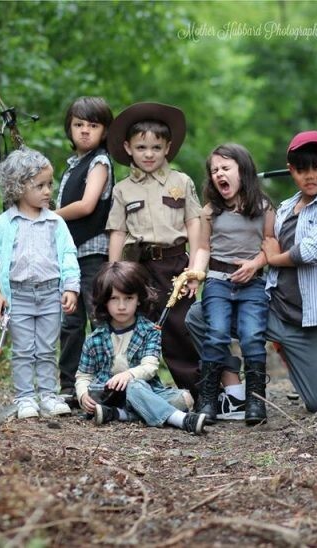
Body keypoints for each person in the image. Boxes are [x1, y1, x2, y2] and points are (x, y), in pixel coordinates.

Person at [186, 131, 317, 413]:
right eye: (301, 169)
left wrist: (271, 259)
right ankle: (235, 390)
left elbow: (307, 253)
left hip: (314, 319)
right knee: (198, 317)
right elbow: (262, 245)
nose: (309, 176)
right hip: (275, 310)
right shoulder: (285, 208)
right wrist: (254, 261)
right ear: (291, 172)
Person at [106, 102, 202, 395]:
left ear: (167, 148)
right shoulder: (123, 189)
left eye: (156, 148)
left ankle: (198, 391)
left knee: (179, 329)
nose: (149, 154)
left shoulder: (180, 182)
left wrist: (195, 268)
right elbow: (118, 232)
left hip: (175, 265)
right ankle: (136, 392)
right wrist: (114, 271)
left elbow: (194, 223)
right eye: (142, 147)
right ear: (128, 148)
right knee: (136, 326)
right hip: (138, 267)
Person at [0, 147, 80, 419]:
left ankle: (48, 395)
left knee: (48, 348)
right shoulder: (4, 223)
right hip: (19, 295)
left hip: (50, 293)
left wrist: (71, 287)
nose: (48, 191)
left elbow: (68, 255)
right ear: (18, 187)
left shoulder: (56, 223)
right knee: (24, 349)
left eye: (49, 184)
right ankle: (25, 397)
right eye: (40, 186)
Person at [186, 144, 275, 425]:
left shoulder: (263, 207)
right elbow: (202, 248)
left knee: (251, 336)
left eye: (226, 168)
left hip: (252, 284)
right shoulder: (210, 211)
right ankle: (209, 399)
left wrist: (255, 264)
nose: (219, 174)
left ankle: (255, 401)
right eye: (214, 170)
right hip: (217, 282)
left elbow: (270, 247)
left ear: (243, 171)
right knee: (217, 332)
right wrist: (195, 274)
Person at [75, 261, 207, 435]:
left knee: (182, 398)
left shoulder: (150, 331)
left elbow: (150, 367)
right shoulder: (94, 339)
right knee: (141, 392)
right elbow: (84, 375)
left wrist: (128, 375)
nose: (121, 306)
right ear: (104, 301)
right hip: (109, 396)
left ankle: (119, 415)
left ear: (138, 299)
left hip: (145, 391)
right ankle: (181, 420)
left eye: (128, 298)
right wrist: (83, 394)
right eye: (114, 298)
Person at [55, 96, 115, 404]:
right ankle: (68, 386)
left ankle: (103, 382)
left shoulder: (100, 162)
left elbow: (88, 205)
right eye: (78, 125)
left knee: (97, 317)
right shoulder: (72, 166)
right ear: (70, 128)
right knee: (70, 321)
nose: (85, 131)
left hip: (92, 253)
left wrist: (47, 215)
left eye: (93, 126)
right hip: (69, 255)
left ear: (105, 132)